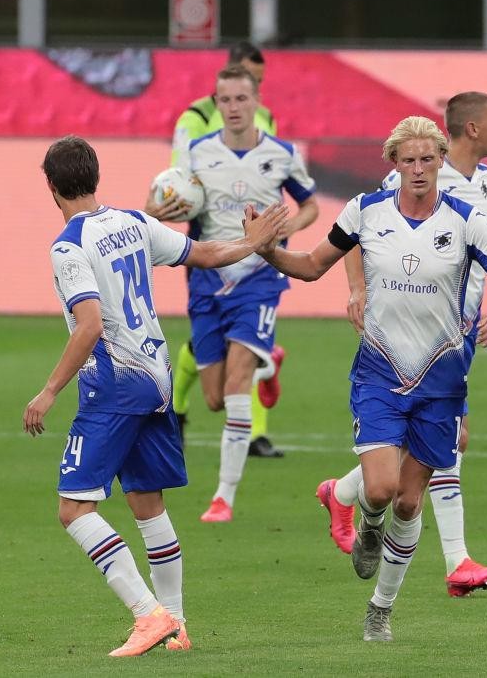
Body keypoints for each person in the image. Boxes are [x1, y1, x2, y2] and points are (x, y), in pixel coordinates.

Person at [258, 116, 487, 641]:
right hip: (380, 371)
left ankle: (380, 610)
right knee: (382, 489)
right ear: (393, 165)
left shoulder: (467, 221)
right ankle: (366, 522)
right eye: (408, 160)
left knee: (411, 501)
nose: (418, 169)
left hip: (441, 381)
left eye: (428, 159)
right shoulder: (365, 211)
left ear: (439, 161)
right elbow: (314, 265)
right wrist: (268, 250)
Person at [317, 92, 487, 597]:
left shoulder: (485, 182)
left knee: (440, 441)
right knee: (447, 443)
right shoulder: (408, 180)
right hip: (414, 328)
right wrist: (357, 288)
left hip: (463, 328)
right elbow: (357, 232)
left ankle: (345, 491)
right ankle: (456, 558)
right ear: (473, 130)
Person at [23, 135, 281, 656]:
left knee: (74, 510)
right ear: (95, 175)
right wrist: (253, 244)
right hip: (158, 376)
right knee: (147, 505)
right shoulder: (133, 224)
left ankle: (149, 616)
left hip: (116, 383)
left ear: (51, 187)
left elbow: (89, 324)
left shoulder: (68, 247)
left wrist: (49, 391)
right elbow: (203, 253)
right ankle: (178, 626)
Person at [187, 63, 319, 522]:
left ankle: (223, 496)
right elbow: (180, 203)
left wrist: (282, 230)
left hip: (259, 278)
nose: (233, 108)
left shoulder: (281, 154)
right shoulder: (197, 152)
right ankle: (269, 363)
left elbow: (311, 206)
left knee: (236, 385)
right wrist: (158, 207)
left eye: (242, 99)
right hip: (207, 278)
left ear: (257, 101)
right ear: (216, 103)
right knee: (215, 398)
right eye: (225, 100)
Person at [148, 41, 285, 459]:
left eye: (257, 86)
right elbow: (179, 180)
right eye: (246, 83)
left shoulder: (267, 120)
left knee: (243, 355)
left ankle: (256, 431)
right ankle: (197, 398)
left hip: (255, 251)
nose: (250, 96)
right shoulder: (194, 119)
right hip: (208, 243)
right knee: (217, 368)